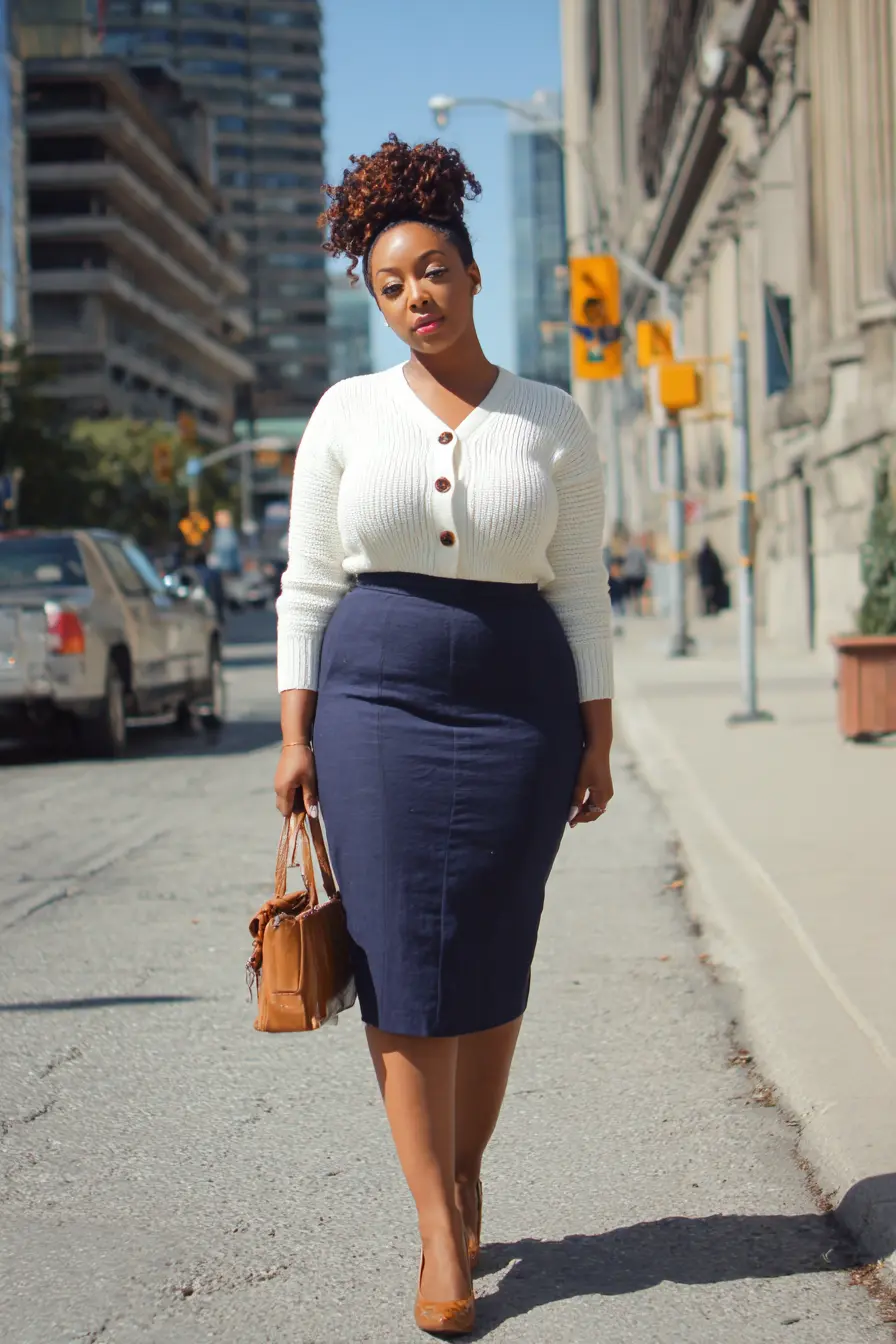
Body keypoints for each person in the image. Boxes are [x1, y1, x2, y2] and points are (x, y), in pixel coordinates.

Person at [273, 135, 614, 1338]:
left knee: (490, 944)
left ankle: (468, 1174)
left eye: (430, 273)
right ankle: (435, 1225)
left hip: (520, 705)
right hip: (371, 699)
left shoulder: (550, 419)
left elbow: (579, 589)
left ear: (470, 274)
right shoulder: (344, 412)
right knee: (398, 958)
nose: (413, 298)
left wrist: (596, 736)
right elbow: (307, 584)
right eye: (388, 285)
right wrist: (295, 733)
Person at [696, 537, 727, 616]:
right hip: (710, 581)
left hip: (707, 581)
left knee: (708, 596)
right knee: (710, 596)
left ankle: (708, 610)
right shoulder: (711, 555)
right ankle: (709, 610)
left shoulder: (704, 555)